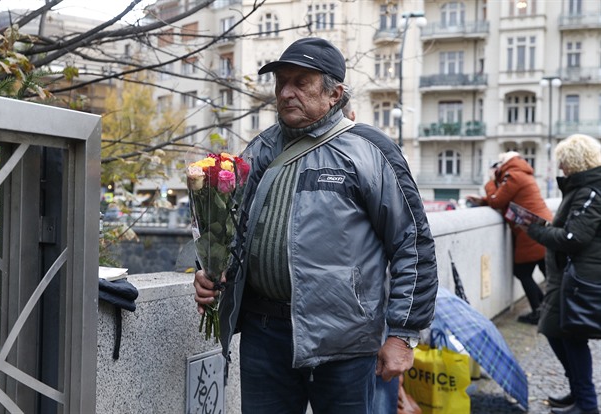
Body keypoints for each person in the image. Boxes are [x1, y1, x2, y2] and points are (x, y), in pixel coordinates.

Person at [193, 37, 438, 413]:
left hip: (344, 340)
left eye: (300, 83)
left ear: (334, 93)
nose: (286, 93)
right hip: (264, 334)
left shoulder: (369, 151)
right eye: (281, 83)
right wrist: (210, 273)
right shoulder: (259, 151)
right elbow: (228, 230)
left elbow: (413, 243)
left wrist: (402, 334)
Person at [523, 134, 601, 414]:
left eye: (564, 163)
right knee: (555, 330)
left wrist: (536, 229)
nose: (562, 169)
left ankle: (587, 403)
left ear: (576, 162)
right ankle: (579, 393)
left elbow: (573, 237)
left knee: (570, 336)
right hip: (568, 275)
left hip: (580, 278)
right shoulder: (583, 188)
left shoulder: (592, 190)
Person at [342, 100, 401, 413]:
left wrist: (402, 334)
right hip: (368, 313)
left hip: (368, 319)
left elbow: (409, 242)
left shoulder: (376, 154)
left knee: (377, 392)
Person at [466, 151, 553, 324]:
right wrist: (484, 201)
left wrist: (491, 181)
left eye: (499, 163)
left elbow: (497, 201)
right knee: (547, 273)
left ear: (505, 163)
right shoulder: (521, 174)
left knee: (522, 271)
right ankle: (548, 309)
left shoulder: (513, 175)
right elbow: (506, 198)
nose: (497, 167)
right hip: (541, 227)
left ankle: (540, 310)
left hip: (530, 230)